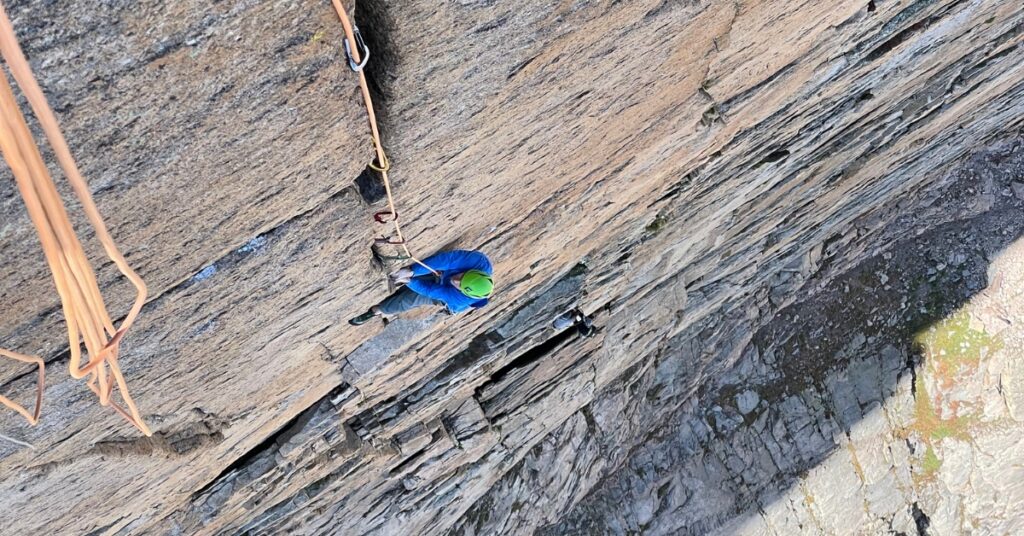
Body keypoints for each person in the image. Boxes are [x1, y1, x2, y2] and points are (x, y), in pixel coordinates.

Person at [349, 249, 494, 325]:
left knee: (407, 300)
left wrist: (409, 281)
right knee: (420, 275)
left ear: (463, 291)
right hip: (443, 274)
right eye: (461, 276)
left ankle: (378, 311)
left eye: (459, 284)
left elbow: (430, 290)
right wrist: (413, 271)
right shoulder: (478, 261)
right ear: (473, 272)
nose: (456, 280)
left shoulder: (458, 298)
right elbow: (446, 260)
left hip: (443, 295)